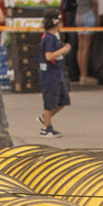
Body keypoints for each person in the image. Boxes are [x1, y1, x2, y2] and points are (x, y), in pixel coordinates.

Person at [37, 9, 71, 137]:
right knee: (49, 102)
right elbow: (49, 56)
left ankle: (45, 117)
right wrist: (64, 50)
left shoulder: (55, 36)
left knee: (63, 101)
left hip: (57, 73)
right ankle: (46, 127)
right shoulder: (49, 38)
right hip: (49, 74)